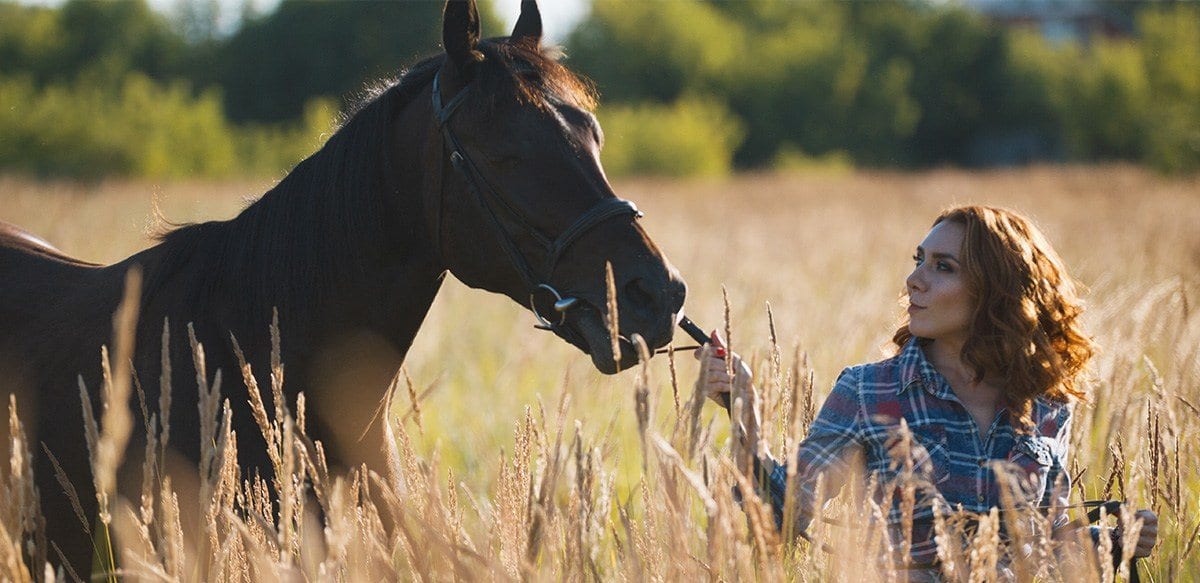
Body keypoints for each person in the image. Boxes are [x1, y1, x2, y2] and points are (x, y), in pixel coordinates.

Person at [696, 205, 1157, 577]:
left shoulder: (1047, 402)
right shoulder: (869, 391)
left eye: (943, 267)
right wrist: (744, 414)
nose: (915, 279)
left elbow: (1043, 541)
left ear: (996, 290)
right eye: (919, 261)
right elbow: (782, 516)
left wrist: (1107, 542)